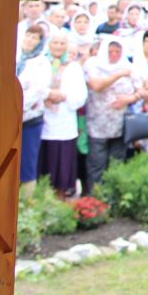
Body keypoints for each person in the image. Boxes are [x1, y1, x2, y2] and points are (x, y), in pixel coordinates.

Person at [83, 36, 138, 193]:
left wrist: (130, 98)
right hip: (97, 124)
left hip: (120, 125)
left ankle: (114, 197)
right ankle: (96, 199)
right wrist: (119, 74)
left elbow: (142, 90)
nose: (114, 55)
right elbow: (97, 85)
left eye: (117, 51)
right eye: (110, 51)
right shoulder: (93, 64)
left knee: (116, 164)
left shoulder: (129, 66)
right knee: (96, 164)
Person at [37, 31, 87, 196]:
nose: (58, 47)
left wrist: (64, 96)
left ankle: (60, 201)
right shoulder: (41, 64)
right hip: (42, 122)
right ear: (49, 45)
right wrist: (47, 94)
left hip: (64, 123)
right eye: (55, 43)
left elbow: (81, 96)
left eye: (62, 44)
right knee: (42, 170)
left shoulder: (73, 67)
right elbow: (32, 87)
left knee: (61, 171)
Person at [17, 23, 51, 185]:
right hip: (8, 118)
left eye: (34, 38)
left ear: (40, 42)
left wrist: (17, 106)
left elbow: (37, 91)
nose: (30, 40)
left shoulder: (42, 63)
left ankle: (27, 201)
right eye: (28, 36)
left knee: (27, 163)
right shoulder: (16, 58)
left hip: (29, 118)